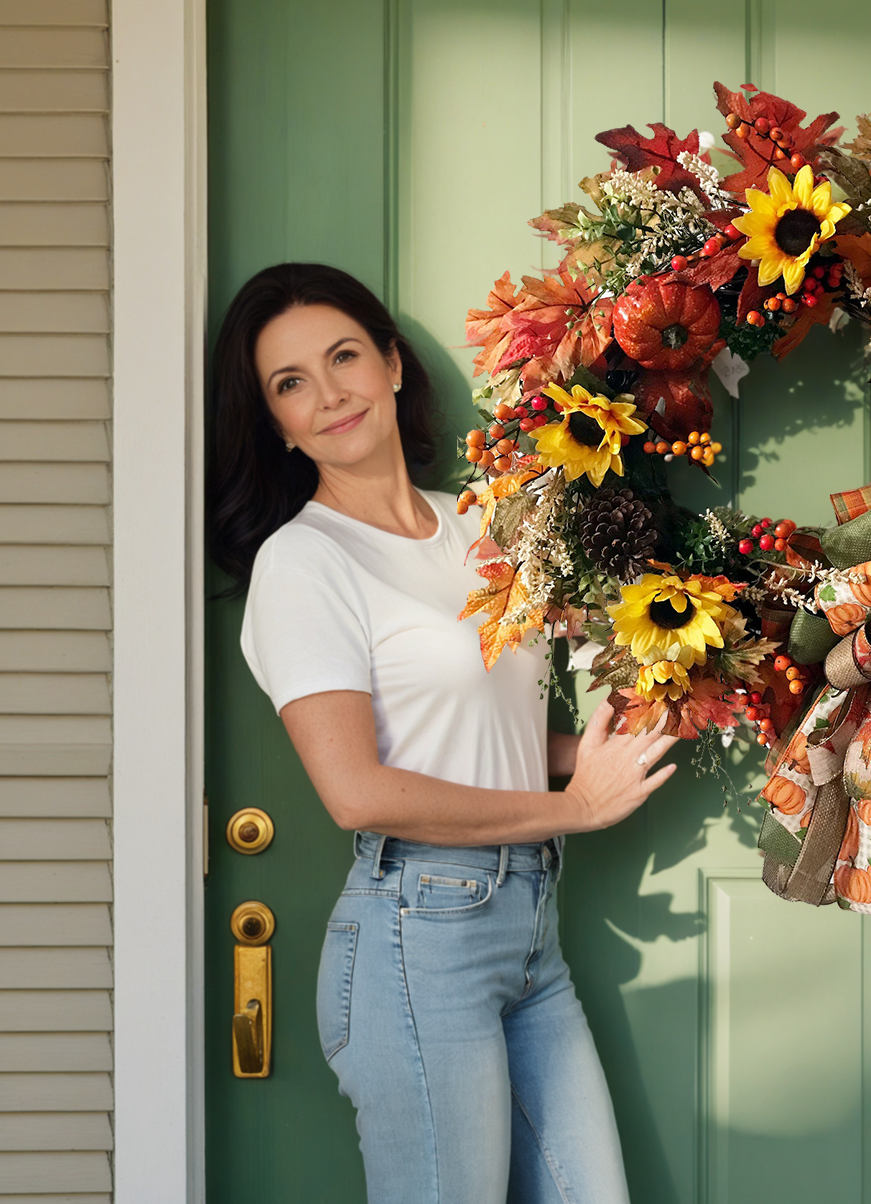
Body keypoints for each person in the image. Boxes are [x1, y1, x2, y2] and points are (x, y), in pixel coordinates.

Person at [207, 262, 678, 1204]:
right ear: (275, 422)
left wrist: (594, 747)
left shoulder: (480, 525)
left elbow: (474, 725)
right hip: (417, 936)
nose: (329, 393)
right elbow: (358, 789)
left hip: (530, 928)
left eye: (344, 357)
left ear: (390, 363)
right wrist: (575, 806)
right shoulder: (303, 563)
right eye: (290, 383)